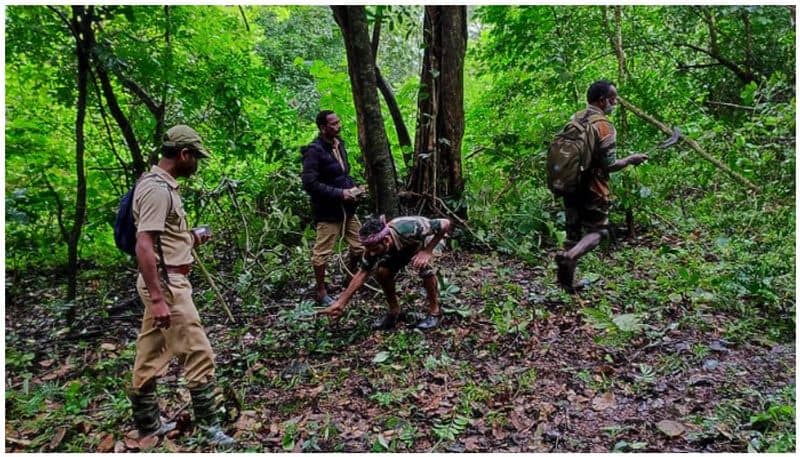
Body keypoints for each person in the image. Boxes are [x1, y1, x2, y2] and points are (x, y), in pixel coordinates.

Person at [127, 125, 235, 447]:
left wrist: (192, 238)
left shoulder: (163, 187)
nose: (197, 164)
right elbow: (144, 245)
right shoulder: (157, 190)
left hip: (167, 280)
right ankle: (209, 429)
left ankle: (147, 425)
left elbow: (163, 238)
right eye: (196, 157)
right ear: (184, 154)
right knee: (199, 352)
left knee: (150, 352)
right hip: (168, 285)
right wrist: (160, 299)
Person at [555, 80, 649, 293]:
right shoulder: (604, 125)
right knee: (599, 231)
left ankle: (565, 285)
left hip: (570, 183)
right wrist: (630, 159)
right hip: (593, 187)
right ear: (602, 100)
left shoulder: (576, 118)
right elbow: (610, 164)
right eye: (613, 99)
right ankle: (570, 257)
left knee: (572, 235)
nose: (615, 103)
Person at [319, 215, 452, 330]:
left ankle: (435, 312)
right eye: (369, 249)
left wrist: (427, 251)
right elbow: (362, 273)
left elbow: (445, 223)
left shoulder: (410, 227)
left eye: (375, 249)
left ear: (386, 240)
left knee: (425, 266)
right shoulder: (372, 246)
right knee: (382, 272)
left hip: (429, 239)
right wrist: (341, 303)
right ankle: (394, 311)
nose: (371, 253)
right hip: (405, 247)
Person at [301, 110, 365, 305]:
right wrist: (339, 193)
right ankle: (321, 291)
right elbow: (309, 183)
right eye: (334, 124)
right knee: (322, 254)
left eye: (339, 122)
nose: (338, 126)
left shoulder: (340, 145)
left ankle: (350, 277)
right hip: (328, 212)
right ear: (322, 128)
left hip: (347, 209)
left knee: (360, 246)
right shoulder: (314, 151)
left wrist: (354, 189)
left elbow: (342, 175)